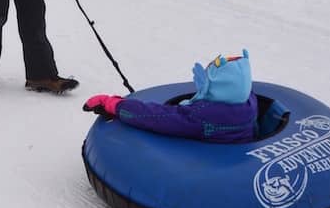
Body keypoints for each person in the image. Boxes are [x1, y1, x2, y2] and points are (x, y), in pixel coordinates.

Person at [83, 49, 257, 143]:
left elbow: (154, 116)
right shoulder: (249, 102)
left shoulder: (201, 116)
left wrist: (113, 104)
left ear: (217, 87)